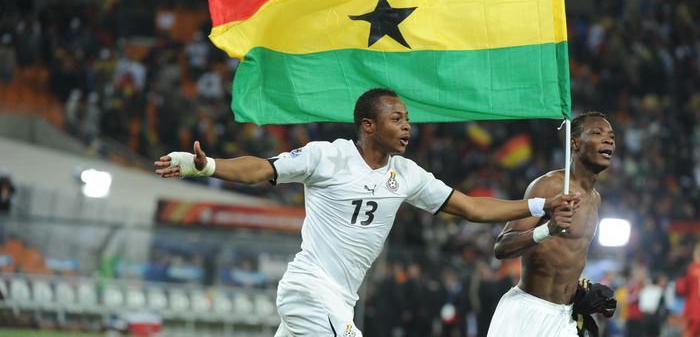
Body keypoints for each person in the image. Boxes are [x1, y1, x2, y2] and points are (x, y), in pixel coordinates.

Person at [154, 88, 581, 337]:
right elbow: (262, 169)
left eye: (408, 118)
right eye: (397, 118)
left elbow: (471, 206)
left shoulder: (408, 174)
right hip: (310, 289)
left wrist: (542, 206)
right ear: (368, 125)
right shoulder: (326, 157)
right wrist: (207, 166)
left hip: (341, 298)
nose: (407, 125)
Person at [489, 111, 617, 337]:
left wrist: (581, 291)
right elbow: (502, 246)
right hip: (525, 312)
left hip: (563, 318)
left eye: (611, 136)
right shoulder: (549, 186)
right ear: (575, 143)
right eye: (597, 133)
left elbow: (562, 257)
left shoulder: (595, 199)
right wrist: (547, 230)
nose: (608, 140)